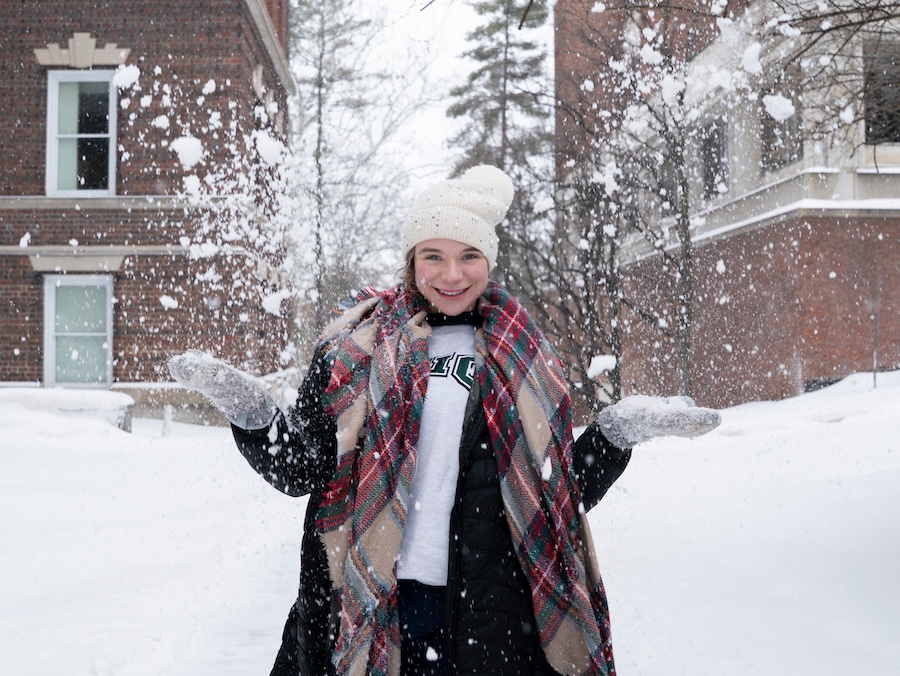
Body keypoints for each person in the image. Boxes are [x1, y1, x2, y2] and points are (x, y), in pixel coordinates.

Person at [168, 165, 720, 676]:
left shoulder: (525, 356)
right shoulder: (353, 349)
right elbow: (305, 469)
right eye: (433, 255)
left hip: (492, 609)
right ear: (411, 260)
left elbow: (555, 494)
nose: (451, 274)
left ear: (489, 260)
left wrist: (615, 434)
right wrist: (255, 414)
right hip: (370, 599)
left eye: (469, 256)